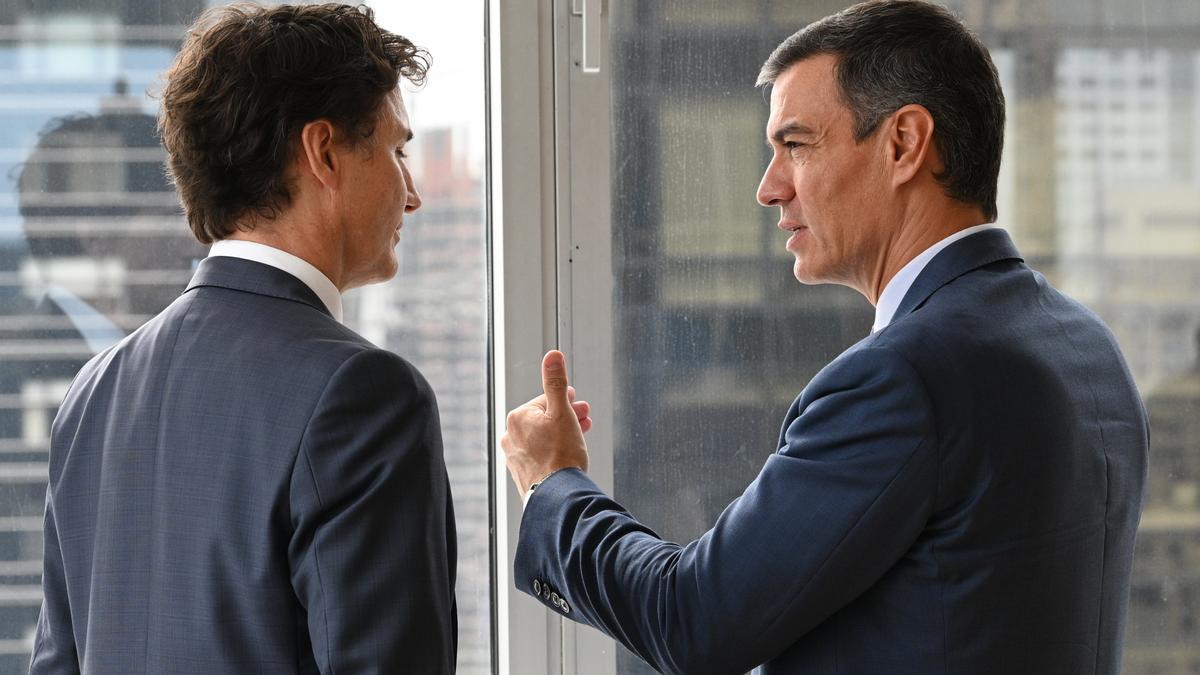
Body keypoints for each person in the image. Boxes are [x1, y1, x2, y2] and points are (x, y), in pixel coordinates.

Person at [501, 1, 1149, 673]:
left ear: (903, 143)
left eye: (797, 145)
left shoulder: (904, 377)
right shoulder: (1088, 348)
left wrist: (554, 485)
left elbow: (692, 618)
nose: (768, 188)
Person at [31, 4, 457, 673]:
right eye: (396, 149)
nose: (412, 194)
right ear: (322, 152)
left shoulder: (93, 394)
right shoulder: (365, 396)